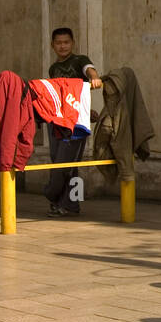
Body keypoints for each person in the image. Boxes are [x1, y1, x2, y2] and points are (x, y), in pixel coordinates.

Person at [45, 28, 102, 218]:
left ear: (73, 43)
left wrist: (94, 77)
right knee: (59, 160)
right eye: (59, 43)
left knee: (66, 163)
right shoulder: (53, 69)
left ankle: (53, 195)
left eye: (66, 42)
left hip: (76, 122)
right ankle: (70, 204)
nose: (63, 46)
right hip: (56, 119)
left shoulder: (79, 60)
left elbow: (89, 69)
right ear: (53, 45)